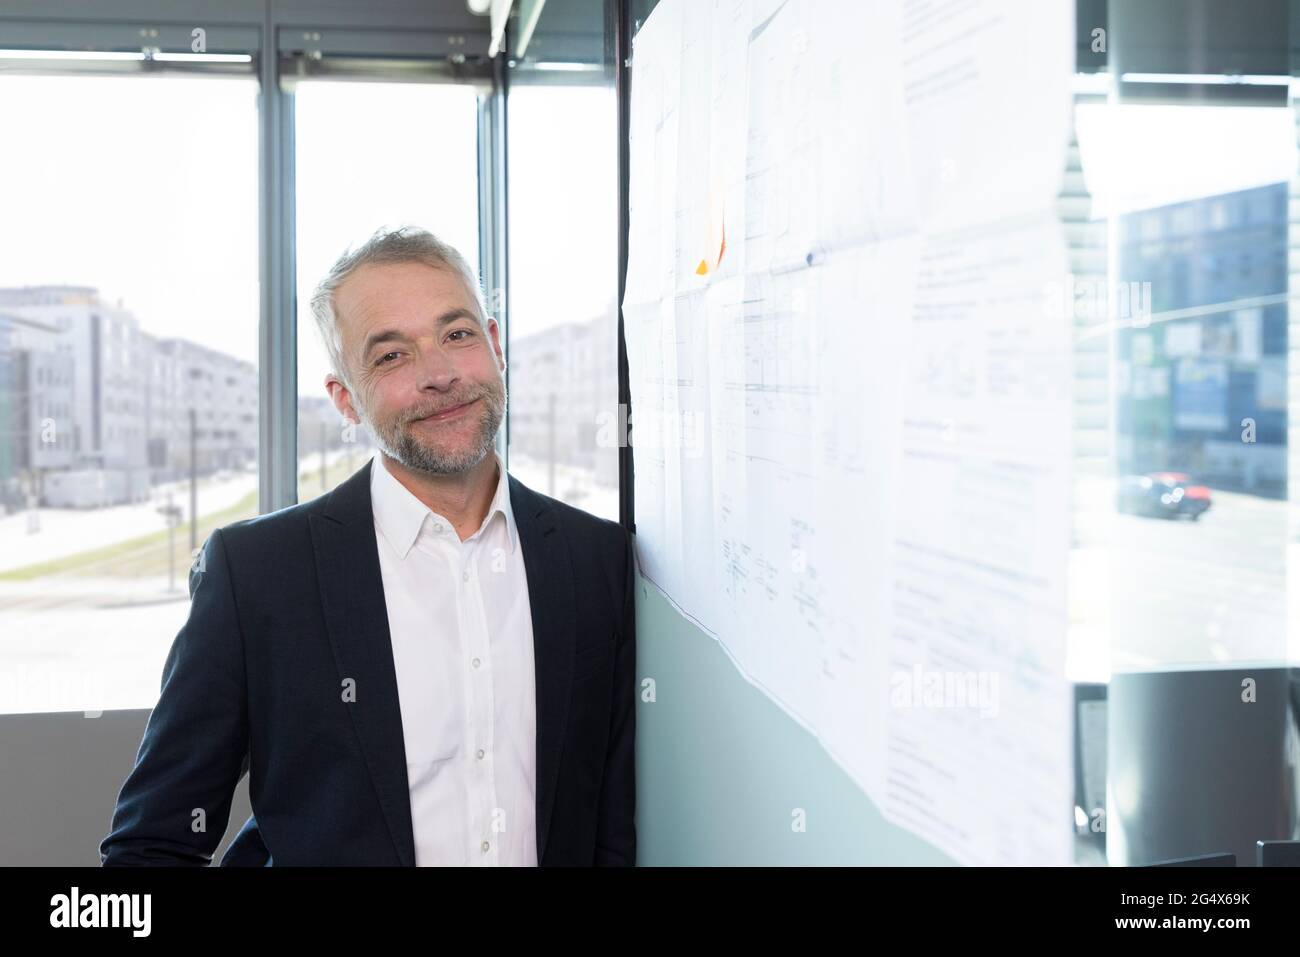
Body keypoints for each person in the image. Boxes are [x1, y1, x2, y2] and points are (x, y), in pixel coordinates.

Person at [100, 225, 636, 866]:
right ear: (346, 400)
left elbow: (612, 832)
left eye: (457, 334)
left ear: (494, 347)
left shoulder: (597, 562)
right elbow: (149, 847)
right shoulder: (259, 578)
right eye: (391, 355)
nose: (438, 374)